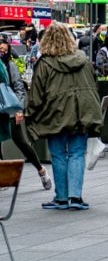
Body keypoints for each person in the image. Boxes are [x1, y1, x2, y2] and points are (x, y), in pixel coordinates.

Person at [25, 22, 103, 211]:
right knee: (77, 153)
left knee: (58, 154)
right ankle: (75, 197)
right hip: (81, 113)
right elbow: (93, 85)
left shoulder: (44, 63)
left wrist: (29, 114)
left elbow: (36, 95)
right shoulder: (83, 60)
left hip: (55, 114)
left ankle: (61, 197)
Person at [0, 39, 52, 191]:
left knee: (20, 141)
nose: (2, 52)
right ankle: (2, 176)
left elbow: (19, 88)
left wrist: (18, 110)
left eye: (4, 50)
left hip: (10, 107)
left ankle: (41, 170)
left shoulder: (9, 66)